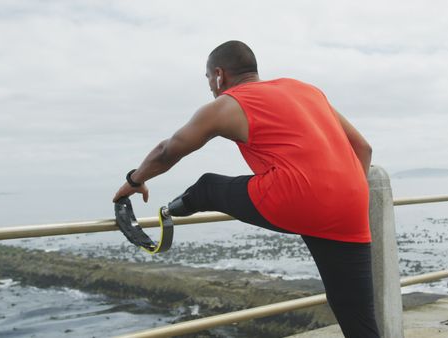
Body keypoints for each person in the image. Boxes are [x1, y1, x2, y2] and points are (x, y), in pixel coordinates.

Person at [113, 40, 379, 337]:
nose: (211, 88)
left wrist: (133, 181)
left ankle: (170, 211)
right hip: (352, 204)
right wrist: (341, 193)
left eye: (208, 80)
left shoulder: (229, 103)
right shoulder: (306, 89)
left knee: (208, 187)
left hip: (294, 197)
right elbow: (363, 148)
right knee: (357, 317)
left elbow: (168, 150)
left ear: (218, 75)